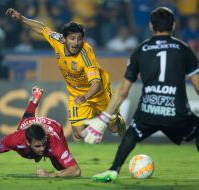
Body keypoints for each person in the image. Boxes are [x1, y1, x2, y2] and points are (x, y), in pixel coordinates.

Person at [84, 7, 199, 182]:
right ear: (173, 25)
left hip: (149, 111)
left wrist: (104, 117)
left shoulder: (140, 50)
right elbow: (197, 86)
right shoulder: (184, 49)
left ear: (151, 26)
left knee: (131, 134)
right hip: (175, 112)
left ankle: (113, 170)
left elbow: (123, 90)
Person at [5, 8, 126, 143]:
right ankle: (96, 118)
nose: (76, 42)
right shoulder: (58, 40)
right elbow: (43, 29)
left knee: (114, 128)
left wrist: (85, 97)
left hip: (99, 92)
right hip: (77, 93)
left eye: (79, 39)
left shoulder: (85, 54)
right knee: (79, 134)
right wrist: (22, 19)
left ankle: (119, 122)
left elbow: (96, 83)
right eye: (72, 38)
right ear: (64, 39)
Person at [0, 86, 81, 177]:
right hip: (28, 123)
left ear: (45, 139)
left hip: (53, 128)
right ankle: (35, 97)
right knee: (26, 118)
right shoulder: (15, 140)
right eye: (37, 146)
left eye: (43, 144)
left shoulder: (54, 142)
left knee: (60, 166)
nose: (42, 148)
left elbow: (75, 170)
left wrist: (52, 175)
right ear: (27, 142)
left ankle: (35, 98)